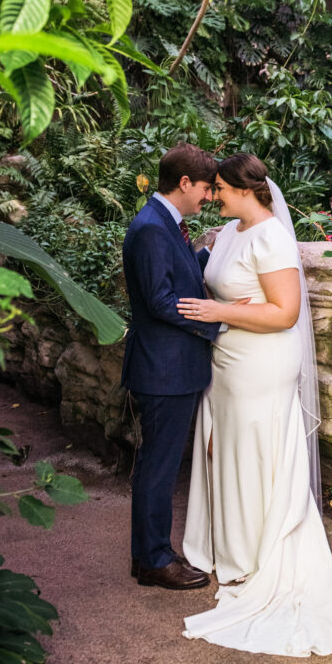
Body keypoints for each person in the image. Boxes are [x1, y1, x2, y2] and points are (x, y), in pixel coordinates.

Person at [178, 153, 332, 657]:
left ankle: (258, 552)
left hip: (261, 363)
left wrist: (221, 310)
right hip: (227, 358)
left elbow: (285, 313)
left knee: (256, 450)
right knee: (225, 447)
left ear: (245, 189)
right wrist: (230, 310)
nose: (214, 197)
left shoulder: (273, 236)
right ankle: (229, 547)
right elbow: (238, 293)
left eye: (221, 190)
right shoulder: (230, 232)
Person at [121, 142, 220, 591]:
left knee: (158, 464)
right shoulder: (151, 229)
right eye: (205, 189)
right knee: (158, 467)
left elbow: (172, 277)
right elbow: (160, 300)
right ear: (184, 183)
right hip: (163, 369)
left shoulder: (167, 224)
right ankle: (153, 561)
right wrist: (215, 321)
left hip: (170, 367)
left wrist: (208, 256)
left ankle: (151, 552)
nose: (209, 197)